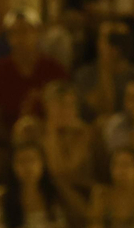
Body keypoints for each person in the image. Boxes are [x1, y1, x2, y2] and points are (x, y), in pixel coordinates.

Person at [0, 9, 67, 142]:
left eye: (26, 30)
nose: (21, 38)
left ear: (37, 33)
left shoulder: (54, 69)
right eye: (14, 32)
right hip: (11, 142)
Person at [34, 81, 93, 215]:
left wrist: (53, 132)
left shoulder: (85, 132)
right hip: (48, 192)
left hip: (84, 190)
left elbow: (68, 169)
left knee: (61, 183)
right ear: (47, 107)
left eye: (71, 105)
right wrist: (52, 132)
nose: (67, 110)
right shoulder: (37, 131)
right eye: (60, 105)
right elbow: (56, 170)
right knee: (58, 184)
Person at [71, 18, 134, 121]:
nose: (114, 44)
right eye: (109, 38)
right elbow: (98, 111)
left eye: (119, 39)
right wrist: (105, 68)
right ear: (98, 42)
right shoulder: (85, 75)